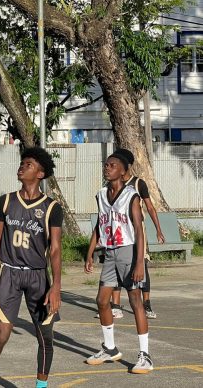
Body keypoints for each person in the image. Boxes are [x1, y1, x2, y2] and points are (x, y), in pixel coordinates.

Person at [0, 147, 63, 388]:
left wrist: (56, 286)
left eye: (29, 164)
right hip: (9, 273)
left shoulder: (52, 208)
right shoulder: (5, 201)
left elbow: (55, 249)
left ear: (41, 174)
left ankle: (41, 386)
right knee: (1, 335)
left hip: (38, 277)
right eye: (22, 163)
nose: (22, 166)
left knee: (45, 337)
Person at [85, 153, 153, 374]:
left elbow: (139, 231)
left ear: (123, 172)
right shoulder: (101, 195)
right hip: (109, 253)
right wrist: (90, 252)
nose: (107, 168)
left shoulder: (132, 196)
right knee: (102, 300)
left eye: (112, 165)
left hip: (128, 252)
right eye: (105, 164)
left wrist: (140, 262)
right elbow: (99, 224)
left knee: (135, 301)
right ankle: (110, 348)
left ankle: (145, 356)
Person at [107, 148, 165, 320]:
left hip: (137, 232)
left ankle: (146, 304)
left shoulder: (138, 183)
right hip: (118, 234)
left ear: (127, 166)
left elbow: (150, 207)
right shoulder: (111, 184)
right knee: (115, 269)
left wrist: (158, 230)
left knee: (142, 268)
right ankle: (115, 305)